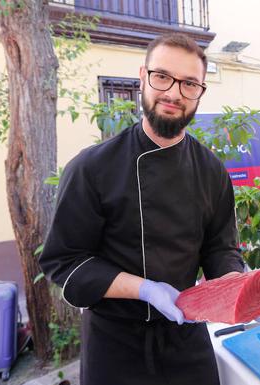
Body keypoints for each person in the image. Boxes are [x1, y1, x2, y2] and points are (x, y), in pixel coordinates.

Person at [38, 33, 245, 385]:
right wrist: (146, 289)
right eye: (162, 76)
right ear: (142, 77)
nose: (175, 93)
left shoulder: (211, 169)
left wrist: (230, 282)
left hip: (186, 336)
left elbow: (220, 246)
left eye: (190, 83)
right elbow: (64, 261)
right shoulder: (92, 167)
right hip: (115, 345)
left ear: (200, 90)